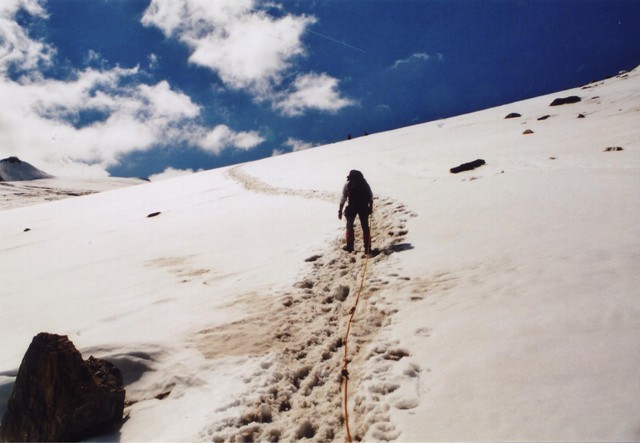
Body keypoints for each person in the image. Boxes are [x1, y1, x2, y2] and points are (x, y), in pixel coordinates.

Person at [338, 170, 373, 253]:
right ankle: (367, 248)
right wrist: (370, 208)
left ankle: (350, 246)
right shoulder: (364, 184)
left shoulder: (348, 185)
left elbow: (343, 198)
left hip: (352, 207)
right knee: (365, 227)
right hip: (363, 207)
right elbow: (370, 197)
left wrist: (340, 210)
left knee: (350, 226)